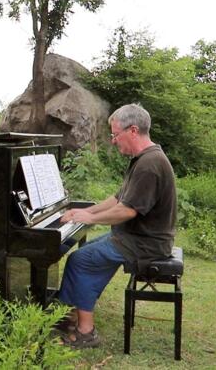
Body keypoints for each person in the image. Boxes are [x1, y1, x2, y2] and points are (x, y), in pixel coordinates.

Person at [55, 103, 177, 348]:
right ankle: (68, 315)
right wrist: (85, 211)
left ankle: (85, 332)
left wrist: (87, 219)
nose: (113, 141)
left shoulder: (149, 165)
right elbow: (118, 199)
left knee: (80, 261)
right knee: (86, 256)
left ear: (133, 130)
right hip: (135, 238)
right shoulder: (143, 158)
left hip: (146, 244)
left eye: (115, 134)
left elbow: (127, 210)